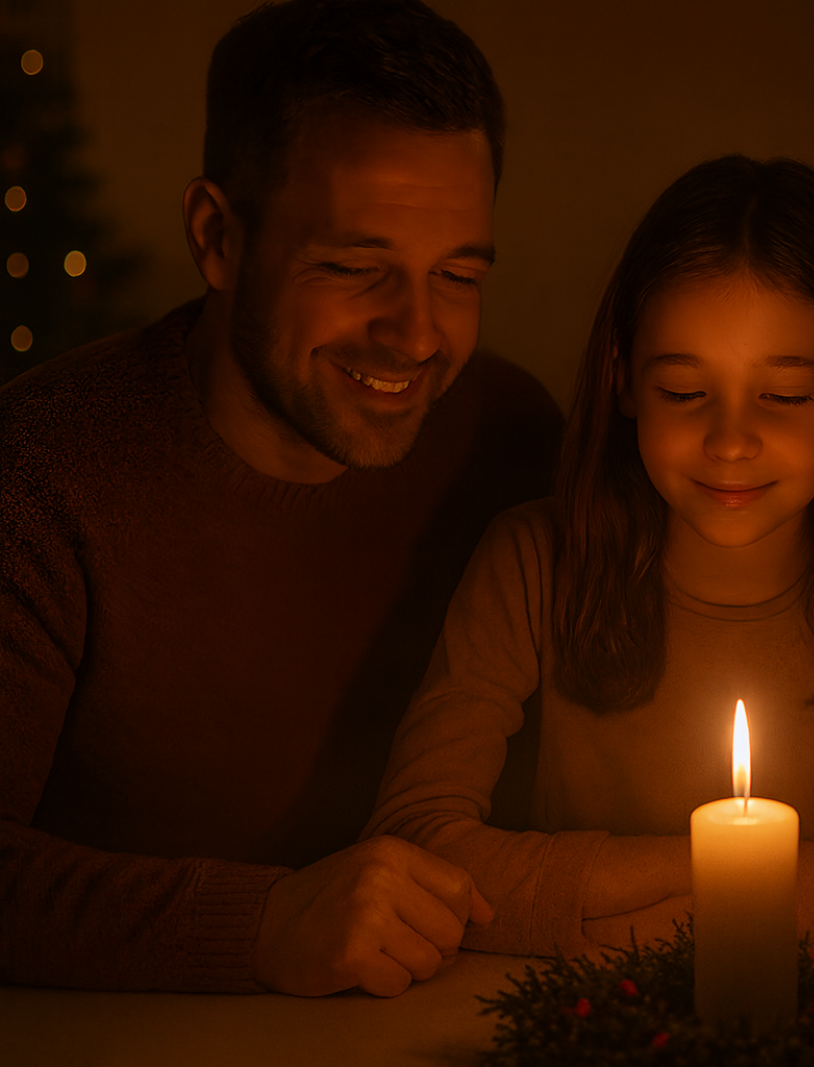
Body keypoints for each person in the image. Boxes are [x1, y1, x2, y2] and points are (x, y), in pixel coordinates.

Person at [0, 0, 563, 996]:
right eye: (354, 268)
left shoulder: (510, 440)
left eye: (456, 275)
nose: (416, 335)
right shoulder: (39, 472)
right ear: (218, 237)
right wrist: (257, 920)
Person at [364, 155, 814, 957]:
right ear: (623, 381)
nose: (731, 441)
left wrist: (599, 904)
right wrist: (727, 880)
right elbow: (415, 848)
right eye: (683, 392)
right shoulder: (533, 561)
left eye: (783, 396)